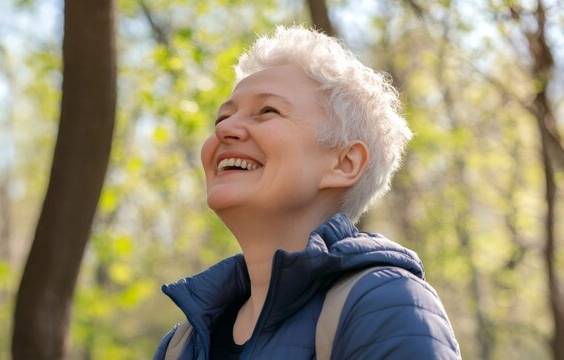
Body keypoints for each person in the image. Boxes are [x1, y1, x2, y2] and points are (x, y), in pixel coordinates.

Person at [153, 26, 461, 360]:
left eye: (267, 111)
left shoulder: (384, 304)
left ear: (344, 163)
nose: (224, 129)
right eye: (223, 117)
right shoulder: (181, 344)